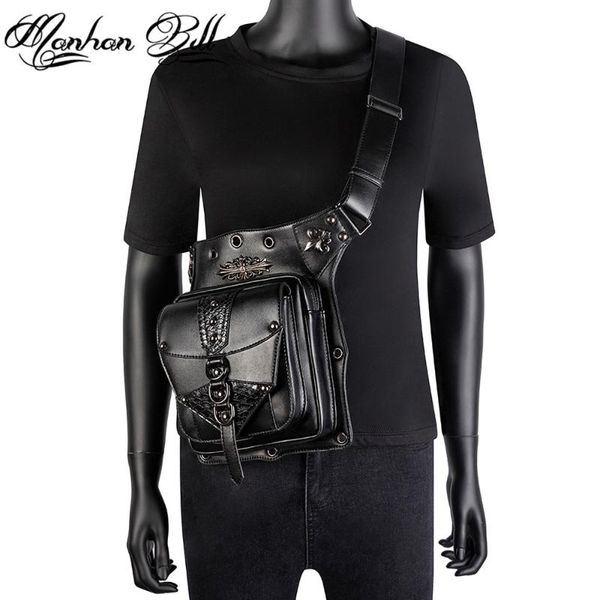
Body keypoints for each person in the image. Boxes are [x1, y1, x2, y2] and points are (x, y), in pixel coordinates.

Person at [123, 2, 493, 598]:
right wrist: (143, 476)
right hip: (231, 450)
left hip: (387, 462)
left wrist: (464, 462)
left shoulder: (431, 82)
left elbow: (458, 265)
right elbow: (151, 271)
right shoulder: (186, 83)